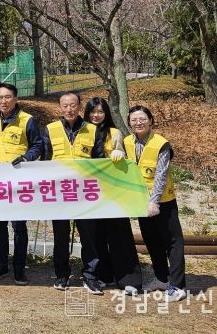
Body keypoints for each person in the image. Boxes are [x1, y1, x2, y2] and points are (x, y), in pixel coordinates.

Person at [43, 92, 105, 294]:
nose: (69, 109)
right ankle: (62, 275)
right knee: (60, 236)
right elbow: (45, 159)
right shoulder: (50, 129)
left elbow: (100, 160)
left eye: (73, 105)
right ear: (60, 107)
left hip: (85, 193)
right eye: (65, 106)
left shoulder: (92, 130)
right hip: (59, 192)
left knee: (89, 237)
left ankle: (90, 276)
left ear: (79, 107)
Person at [0, 82, 43, 285]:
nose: (4, 101)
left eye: (8, 97)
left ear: (15, 99)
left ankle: (19, 268)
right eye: (0, 97)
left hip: (18, 182)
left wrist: (26, 157)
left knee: (19, 226)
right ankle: (1, 265)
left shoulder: (27, 120)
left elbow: (37, 145)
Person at [125, 105, 186, 302]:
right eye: (134, 120)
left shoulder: (161, 143)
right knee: (151, 240)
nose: (138, 123)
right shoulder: (127, 142)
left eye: (142, 119)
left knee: (173, 242)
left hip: (163, 201)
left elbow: (161, 174)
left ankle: (178, 286)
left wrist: (154, 202)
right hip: (141, 201)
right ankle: (161, 278)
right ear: (129, 123)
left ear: (151, 120)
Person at [84, 97, 142, 295]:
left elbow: (125, 157)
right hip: (89, 193)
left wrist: (119, 154)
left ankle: (129, 279)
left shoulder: (114, 133)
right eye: (93, 111)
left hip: (113, 192)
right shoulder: (82, 133)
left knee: (119, 234)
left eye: (100, 111)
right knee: (96, 236)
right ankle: (104, 274)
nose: (96, 115)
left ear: (106, 113)